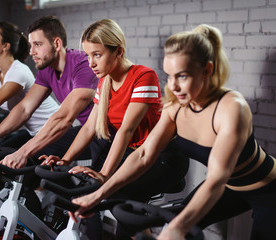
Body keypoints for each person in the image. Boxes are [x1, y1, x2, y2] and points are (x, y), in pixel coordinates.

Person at [70, 24, 276, 240]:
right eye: (169, 76)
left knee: (177, 228)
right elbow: (143, 155)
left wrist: (176, 228)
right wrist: (98, 194)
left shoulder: (231, 107)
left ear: (207, 70)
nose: (174, 87)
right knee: (178, 228)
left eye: (182, 76)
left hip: (269, 192)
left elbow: (217, 178)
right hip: (229, 188)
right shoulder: (174, 108)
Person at [42, 19, 188, 239]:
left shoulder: (143, 76)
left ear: (118, 51)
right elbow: (89, 126)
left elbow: (126, 130)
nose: (91, 63)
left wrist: (104, 175)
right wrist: (65, 160)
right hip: (135, 154)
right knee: (114, 203)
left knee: (115, 195)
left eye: (97, 55)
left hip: (163, 157)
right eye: (88, 55)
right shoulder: (105, 81)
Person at [0, 16, 98, 168]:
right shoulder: (47, 69)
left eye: (38, 44)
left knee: (35, 154)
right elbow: (24, 109)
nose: (32, 52)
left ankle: (48, 190)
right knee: (9, 151)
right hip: (89, 129)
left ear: (57, 43)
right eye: (30, 45)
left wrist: (23, 153)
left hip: (106, 133)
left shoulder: (83, 66)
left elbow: (64, 119)